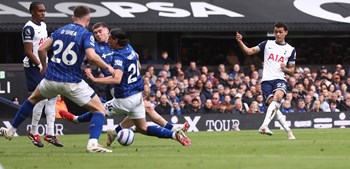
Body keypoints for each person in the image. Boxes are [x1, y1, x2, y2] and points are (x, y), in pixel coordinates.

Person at [1, 5, 115, 153]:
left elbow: (41, 49)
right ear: (88, 19)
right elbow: (92, 57)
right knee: (99, 110)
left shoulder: (60, 30)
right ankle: (92, 144)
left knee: (32, 100)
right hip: (72, 82)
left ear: (73, 17)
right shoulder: (86, 34)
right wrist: (109, 67)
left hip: (51, 80)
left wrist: (43, 66)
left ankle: (11, 130)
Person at [60, 28, 191, 147]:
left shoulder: (119, 56)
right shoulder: (129, 48)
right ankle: (175, 135)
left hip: (125, 99)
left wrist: (95, 79)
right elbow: (137, 65)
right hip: (136, 96)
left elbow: (117, 79)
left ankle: (77, 120)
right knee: (143, 127)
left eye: (110, 38)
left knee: (98, 110)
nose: (108, 40)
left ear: (116, 40)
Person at [236, 22, 296, 140]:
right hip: (266, 81)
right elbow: (248, 51)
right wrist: (240, 42)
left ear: (286, 33)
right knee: (274, 107)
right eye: (276, 32)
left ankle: (264, 125)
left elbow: (292, 71)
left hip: (280, 79)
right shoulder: (267, 43)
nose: (277, 34)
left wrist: (286, 69)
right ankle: (289, 132)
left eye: (280, 32)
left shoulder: (291, 49)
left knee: (277, 98)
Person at [21, 2, 63, 147]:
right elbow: (28, 51)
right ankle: (33, 131)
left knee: (52, 98)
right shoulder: (28, 28)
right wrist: (40, 65)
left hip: (44, 65)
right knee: (41, 100)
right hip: (33, 67)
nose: (43, 13)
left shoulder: (44, 26)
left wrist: (48, 63)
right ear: (32, 12)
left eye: (44, 11)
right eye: (40, 11)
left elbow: (44, 47)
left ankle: (50, 134)